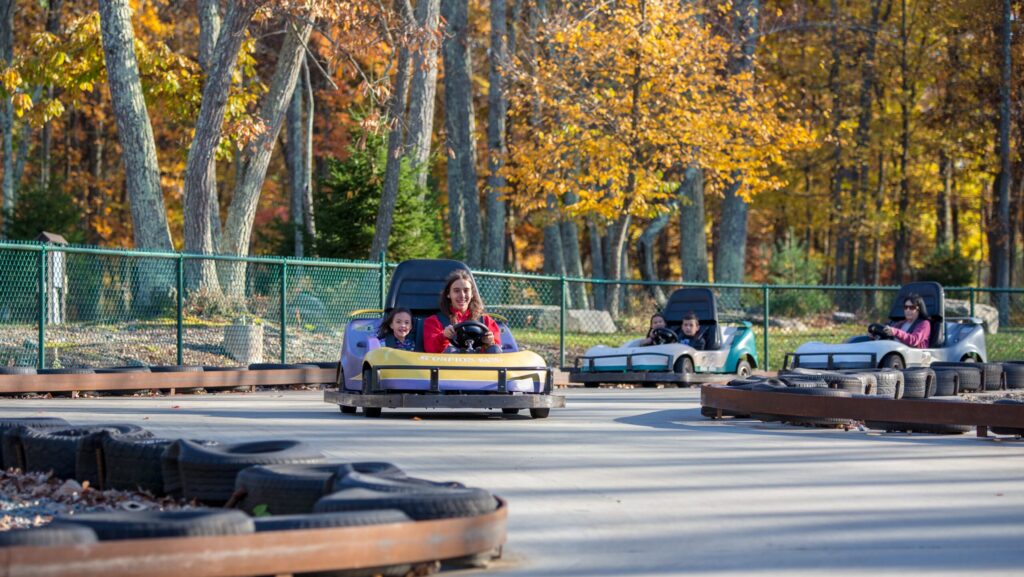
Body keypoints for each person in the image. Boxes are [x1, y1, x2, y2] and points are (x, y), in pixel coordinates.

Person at [423, 270, 502, 354]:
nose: (462, 295)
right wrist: (443, 336)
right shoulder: (434, 321)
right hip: (450, 365)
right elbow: (430, 350)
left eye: (466, 290)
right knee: (451, 351)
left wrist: (490, 342)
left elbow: (497, 348)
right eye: (456, 291)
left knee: (495, 349)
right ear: (448, 294)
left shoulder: (485, 321)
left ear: (472, 294)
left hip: (480, 365)